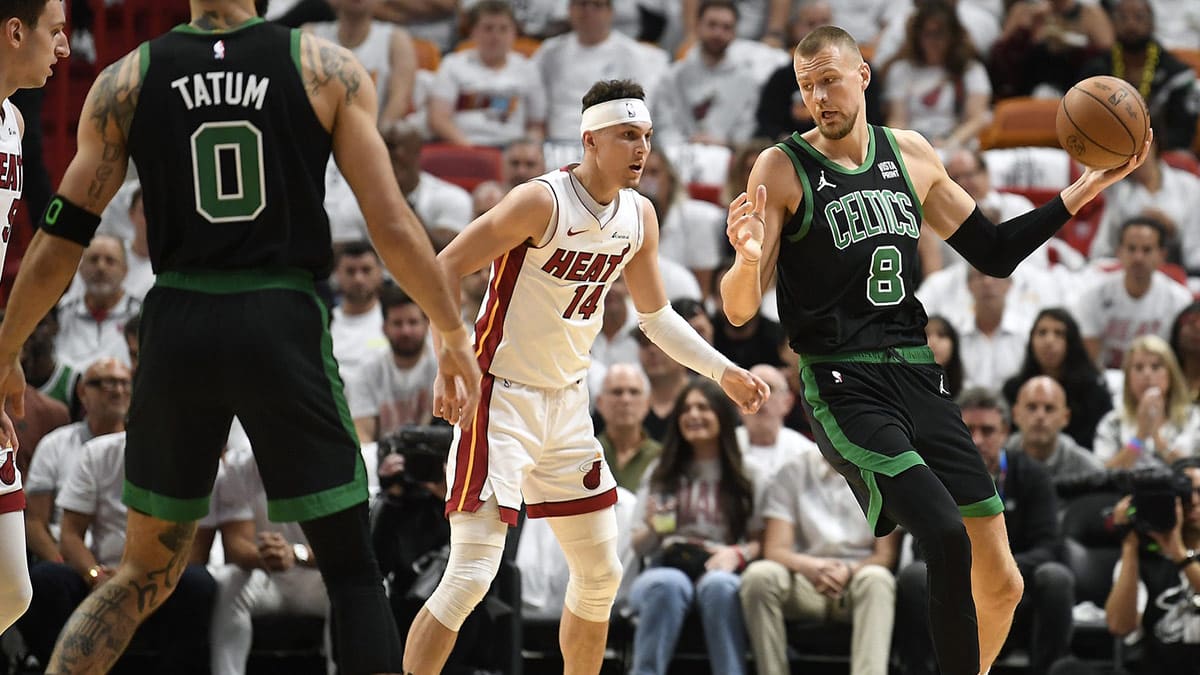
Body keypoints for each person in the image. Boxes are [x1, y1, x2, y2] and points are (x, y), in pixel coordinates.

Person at [0, 2, 482, 672]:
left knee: (141, 570)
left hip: (178, 324)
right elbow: (394, 225)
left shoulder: (127, 78)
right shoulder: (324, 68)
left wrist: (5, 349)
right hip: (278, 317)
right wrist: (453, 329)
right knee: (349, 567)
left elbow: (60, 238)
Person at [721, 25, 1150, 675]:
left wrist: (1088, 184)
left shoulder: (912, 154)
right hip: (843, 383)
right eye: (808, 87)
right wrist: (747, 257)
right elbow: (739, 308)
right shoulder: (782, 166)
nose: (820, 97)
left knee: (1004, 582)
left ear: (864, 75)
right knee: (945, 535)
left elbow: (995, 253)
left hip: (920, 376)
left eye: (830, 80)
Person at [403, 78, 768, 675]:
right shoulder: (540, 202)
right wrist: (450, 354)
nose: (641, 149)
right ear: (590, 139)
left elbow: (655, 317)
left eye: (647, 137)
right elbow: (441, 267)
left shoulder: (640, 215)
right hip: (500, 400)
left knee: (601, 575)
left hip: (569, 406)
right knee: (470, 576)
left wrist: (723, 370)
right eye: (628, 136)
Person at [0, 0, 69, 635]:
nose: (66, 49)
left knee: (11, 590)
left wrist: (7, 355)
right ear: (15, 31)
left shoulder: (14, 123)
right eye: (55, 31)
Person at [628, 379, 760, 675]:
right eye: (686, 409)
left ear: (722, 416)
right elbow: (638, 546)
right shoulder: (662, 470)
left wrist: (735, 554)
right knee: (667, 584)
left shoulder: (748, 472)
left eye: (703, 407)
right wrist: (655, 529)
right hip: (666, 564)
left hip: (721, 565)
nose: (693, 415)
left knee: (720, 586)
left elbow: (761, 540)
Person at [740, 442, 900, 675]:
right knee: (759, 575)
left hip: (856, 579)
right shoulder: (793, 470)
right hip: (804, 580)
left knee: (878, 579)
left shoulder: (883, 470)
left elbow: (884, 555)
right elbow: (775, 549)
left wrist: (848, 570)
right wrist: (811, 567)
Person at [1002, 308, 1113, 450]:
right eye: (1042, 333)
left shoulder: (1094, 392)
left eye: (1059, 334)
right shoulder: (1013, 389)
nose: (1049, 341)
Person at [1093, 334, 1200, 471]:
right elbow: (1102, 477)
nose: (1147, 374)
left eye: (1156, 367)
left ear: (1171, 374)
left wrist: (1158, 440)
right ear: (1128, 378)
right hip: (1127, 492)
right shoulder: (1112, 422)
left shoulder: (1194, 418)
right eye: (1138, 368)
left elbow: (1196, 474)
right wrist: (1140, 436)